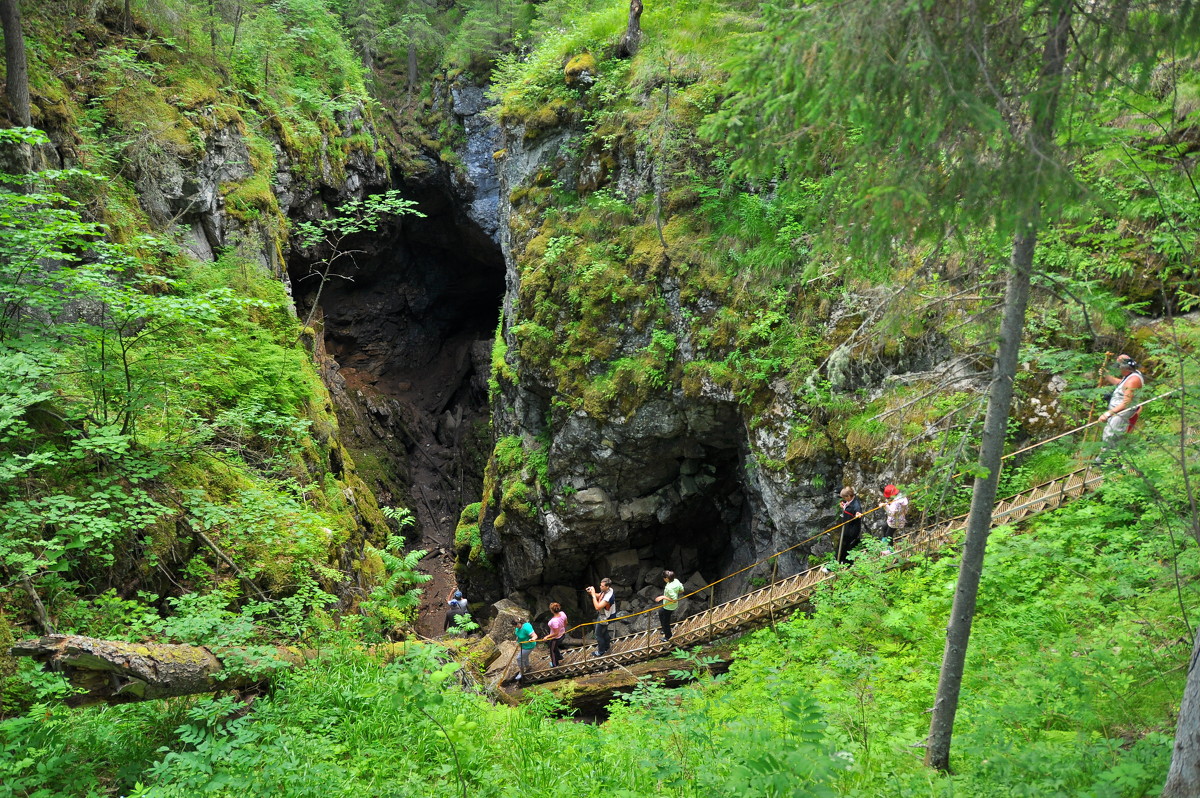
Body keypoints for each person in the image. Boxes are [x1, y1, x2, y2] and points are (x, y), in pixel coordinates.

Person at [1098, 354, 1145, 458]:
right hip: (1117, 411)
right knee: (1109, 434)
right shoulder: (1129, 376)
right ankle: (1108, 460)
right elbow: (1120, 383)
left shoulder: (1133, 380)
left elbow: (1126, 403)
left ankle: (1107, 461)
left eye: (1119, 367)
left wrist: (1107, 414)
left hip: (1122, 412)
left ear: (1125, 368)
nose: (1118, 369)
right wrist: (1106, 375)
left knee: (1112, 435)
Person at [585, 577, 615, 657]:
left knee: (598, 634)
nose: (600, 587)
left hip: (606, 617)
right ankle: (607, 647)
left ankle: (601, 651)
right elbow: (599, 595)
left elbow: (597, 607)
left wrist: (593, 596)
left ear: (607, 586)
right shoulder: (607, 590)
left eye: (602, 586)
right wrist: (592, 593)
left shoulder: (609, 596)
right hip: (604, 615)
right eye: (600, 585)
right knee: (604, 632)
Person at [655, 570, 685, 643]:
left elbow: (674, 600)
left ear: (667, 579)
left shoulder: (670, 588)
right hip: (670, 605)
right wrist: (676, 592)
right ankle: (664, 629)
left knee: (666, 621)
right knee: (660, 612)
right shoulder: (676, 581)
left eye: (664, 578)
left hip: (669, 607)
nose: (663, 579)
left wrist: (663, 597)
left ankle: (668, 636)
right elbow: (682, 590)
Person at [837, 487, 863, 564]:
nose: (843, 499)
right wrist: (843, 505)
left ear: (848, 496)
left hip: (851, 530)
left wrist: (858, 514)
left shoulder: (856, 505)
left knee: (844, 546)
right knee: (845, 546)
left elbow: (857, 511)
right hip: (847, 527)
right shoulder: (851, 501)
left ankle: (839, 563)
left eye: (844, 497)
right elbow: (848, 507)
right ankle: (845, 561)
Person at [544, 602, 567, 667]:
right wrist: (563, 629)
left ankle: (555, 664)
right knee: (554, 647)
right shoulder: (563, 614)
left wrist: (547, 636)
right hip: (563, 634)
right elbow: (566, 623)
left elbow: (556, 633)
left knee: (552, 650)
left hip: (556, 638)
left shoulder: (553, 621)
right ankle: (559, 657)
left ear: (551, 610)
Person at [513, 616, 536, 681]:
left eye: (515, 626)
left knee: (519, 658)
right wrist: (517, 639)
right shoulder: (518, 628)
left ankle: (521, 672)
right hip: (523, 645)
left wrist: (532, 639)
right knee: (524, 657)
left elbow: (535, 636)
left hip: (529, 646)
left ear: (519, 623)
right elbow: (518, 634)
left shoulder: (526, 627)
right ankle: (528, 667)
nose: (515, 627)